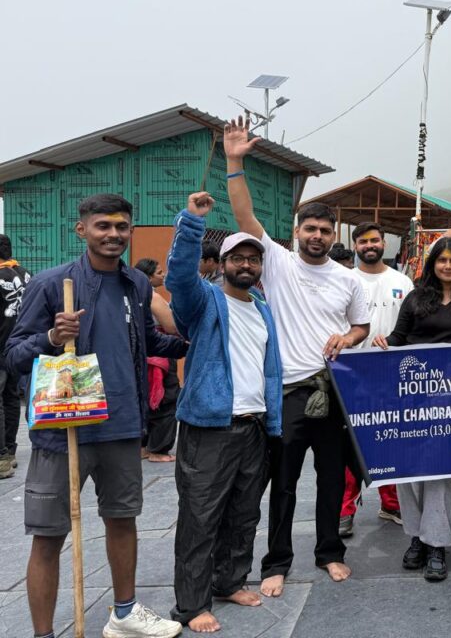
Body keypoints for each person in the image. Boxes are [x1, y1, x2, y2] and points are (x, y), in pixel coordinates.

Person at [5, 193, 187, 638]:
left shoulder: (137, 284)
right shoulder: (51, 284)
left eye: (122, 226)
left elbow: (148, 341)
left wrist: (192, 340)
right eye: (103, 225)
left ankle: (124, 614)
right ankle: (43, 634)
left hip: (121, 427)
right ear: (81, 229)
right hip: (63, 429)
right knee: (48, 535)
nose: (113, 234)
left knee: (122, 520)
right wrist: (51, 337)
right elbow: (13, 354)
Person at [223, 115, 371, 598]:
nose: (317, 236)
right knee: (282, 484)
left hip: (333, 394)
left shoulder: (348, 279)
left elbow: (362, 326)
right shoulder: (278, 263)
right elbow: (244, 216)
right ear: (297, 231)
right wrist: (234, 161)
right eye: (310, 228)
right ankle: (277, 562)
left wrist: (348, 339)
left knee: (332, 480)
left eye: (325, 230)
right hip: (287, 394)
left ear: (333, 234)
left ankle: (330, 552)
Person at [165, 192, 283, 633]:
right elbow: (179, 277)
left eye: (254, 259)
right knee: (200, 518)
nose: (246, 265)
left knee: (244, 512)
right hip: (209, 429)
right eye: (238, 258)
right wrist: (192, 222)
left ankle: (229, 581)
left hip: (253, 427)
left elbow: (269, 369)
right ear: (223, 263)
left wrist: (272, 421)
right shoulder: (205, 301)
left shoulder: (263, 310)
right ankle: (191, 605)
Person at [372, 238, 451, 580]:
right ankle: (416, 537)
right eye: (442, 260)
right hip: (411, 400)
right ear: (433, 263)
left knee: (438, 473)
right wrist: (383, 342)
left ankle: (436, 543)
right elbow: (398, 337)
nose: (448, 266)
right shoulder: (415, 298)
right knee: (408, 473)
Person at [338, 222, 411, 537]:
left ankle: (391, 504)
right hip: (352, 374)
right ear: (355, 245)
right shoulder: (344, 279)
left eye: (375, 240)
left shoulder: (403, 282)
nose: (370, 245)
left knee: (391, 441)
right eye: (363, 241)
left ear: (384, 243)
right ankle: (345, 510)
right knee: (351, 445)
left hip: (393, 375)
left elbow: (412, 326)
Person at [133, 258, 180, 463]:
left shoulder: (128, 294)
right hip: (158, 354)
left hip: (136, 355)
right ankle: (158, 450)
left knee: (142, 399)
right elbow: (171, 326)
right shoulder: (151, 296)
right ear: (148, 277)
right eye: (159, 272)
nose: (163, 275)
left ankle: (142, 447)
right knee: (166, 400)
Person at [0, 234, 30, 480]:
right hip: (18, 347)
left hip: (0, 345)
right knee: (10, 397)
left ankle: (1, 458)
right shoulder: (26, 273)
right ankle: (9, 450)